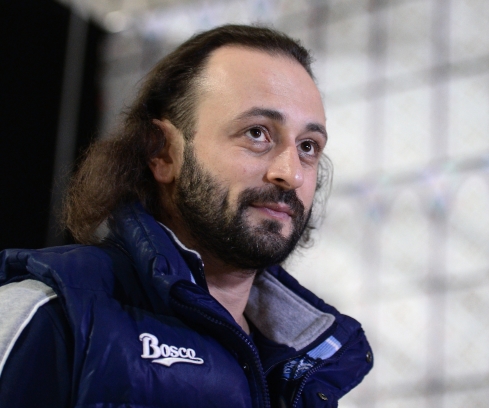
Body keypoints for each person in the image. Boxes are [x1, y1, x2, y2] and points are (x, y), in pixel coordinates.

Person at [0, 24, 372, 407]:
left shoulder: (303, 364)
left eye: (308, 146)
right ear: (163, 153)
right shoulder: (52, 311)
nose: (291, 174)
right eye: (256, 133)